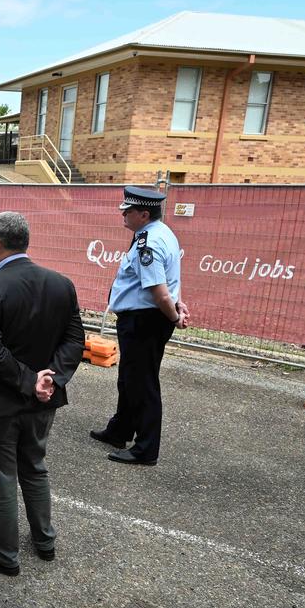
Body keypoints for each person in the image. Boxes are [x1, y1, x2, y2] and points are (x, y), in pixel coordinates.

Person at [0, 211, 84, 576]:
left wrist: (33, 380)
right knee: (34, 467)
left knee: (0, 476)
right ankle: (44, 542)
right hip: (41, 401)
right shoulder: (61, 284)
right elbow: (74, 340)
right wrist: (51, 379)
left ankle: (5, 555)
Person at [91, 186, 189, 466]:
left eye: (129, 211)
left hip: (145, 320)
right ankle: (120, 429)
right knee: (129, 378)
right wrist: (178, 306)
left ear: (144, 214)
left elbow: (160, 291)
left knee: (143, 384)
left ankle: (146, 448)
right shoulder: (158, 233)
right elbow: (172, 281)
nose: (123, 213)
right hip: (143, 319)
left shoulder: (150, 242)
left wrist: (174, 316)